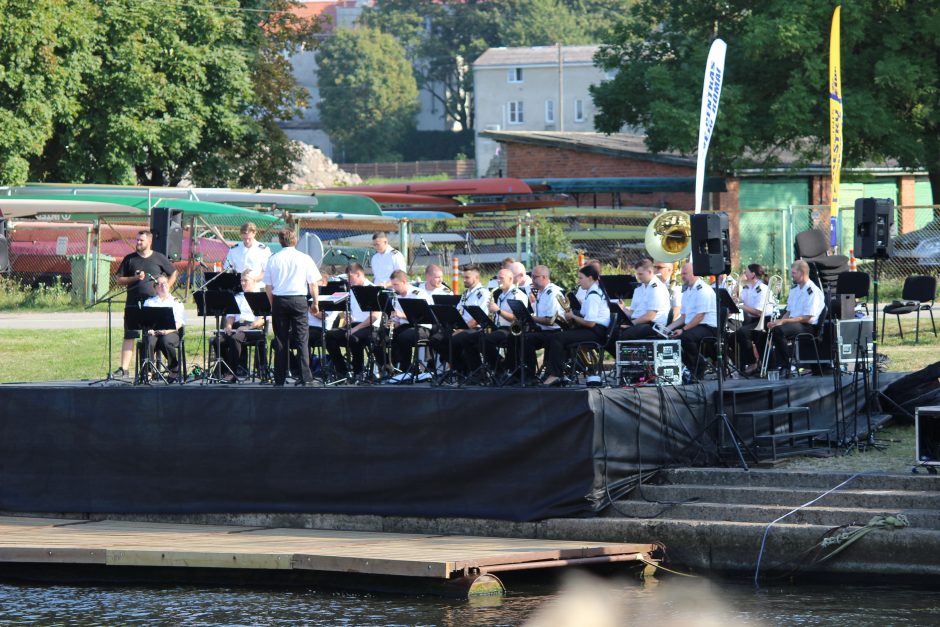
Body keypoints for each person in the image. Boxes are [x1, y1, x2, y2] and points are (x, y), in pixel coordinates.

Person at [115, 230, 177, 377]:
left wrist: (165, 286)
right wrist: (134, 278)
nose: (138, 243)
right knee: (130, 334)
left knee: (152, 335)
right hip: (133, 302)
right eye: (137, 240)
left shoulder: (159, 258)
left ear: (149, 241)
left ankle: (151, 369)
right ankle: (123, 369)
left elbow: (173, 272)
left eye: (141, 241)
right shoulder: (130, 259)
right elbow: (119, 279)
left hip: (153, 303)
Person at [264, 228, 321, 387]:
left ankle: (279, 379)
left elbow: (268, 287)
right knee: (302, 339)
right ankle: (305, 377)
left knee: (281, 340)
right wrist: (315, 302)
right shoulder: (304, 258)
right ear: (295, 240)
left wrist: (272, 304)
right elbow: (313, 283)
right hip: (298, 300)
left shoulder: (273, 259)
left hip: (279, 300)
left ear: (281, 241)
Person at [542, 265, 611, 387]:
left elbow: (590, 323)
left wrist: (573, 317)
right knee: (559, 337)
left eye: (581, 278)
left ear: (590, 278)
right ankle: (560, 373)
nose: (579, 281)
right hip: (594, 330)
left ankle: (555, 375)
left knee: (557, 338)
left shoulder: (593, 295)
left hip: (596, 332)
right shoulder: (592, 292)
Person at [767, 260, 825, 374]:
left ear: (802, 273)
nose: (791, 275)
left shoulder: (812, 291)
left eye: (794, 273)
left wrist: (783, 322)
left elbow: (807, 317)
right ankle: (772, 365)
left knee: (778, 331)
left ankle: (785, 366)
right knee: (773, 328)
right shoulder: (794, 290)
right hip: (794, 323)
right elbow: (788, 311)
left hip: (807, 326)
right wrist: (778, 321)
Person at [430, 264, 490, 375]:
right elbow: (458, 312)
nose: (464, 280)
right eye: (464, 277)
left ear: (476, 278)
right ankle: (460, 368)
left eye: (467, 278)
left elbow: (478, 318)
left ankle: (472, 371)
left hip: (474, 329)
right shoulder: (466, 294)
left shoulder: (483, 294)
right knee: (435, 340)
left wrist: (462, 329)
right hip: (460, 327)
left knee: (456, 340)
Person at [324, 262, 380, 379]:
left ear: (359, 274)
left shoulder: (372, 289)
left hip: (368, 327)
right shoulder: (351, 290)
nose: (348, 280)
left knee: (353, 337)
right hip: (354, 325)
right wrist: (347, 318)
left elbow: (375, 316)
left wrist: (355, 329)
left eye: (350, 277)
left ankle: (358, 371)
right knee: (329, 336)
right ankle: (342, 370)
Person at [664, 263, 718, 381]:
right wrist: (667, 329)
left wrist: (683, 330)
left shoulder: (703, 290)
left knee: (685, 337)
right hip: (695, 326)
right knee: (670, 339)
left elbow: (700, 316)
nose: (682, 276)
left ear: (694, 273)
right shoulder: (687, 292)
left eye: (685, 273)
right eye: (682, 273)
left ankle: (700, 365)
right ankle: (692, 367)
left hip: (708, 327)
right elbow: (683, 317)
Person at [216, 271, 267, 383]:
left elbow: (263, 319)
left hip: (253, 328)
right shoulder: (238, 297)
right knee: (217, 341)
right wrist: (228, 326)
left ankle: (232, 372)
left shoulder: (260, 296)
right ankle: (222, 371)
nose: (242, 283)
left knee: (235, 338)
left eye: (246, 281)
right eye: (241, 281)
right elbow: (231, 315)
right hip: (237, 327)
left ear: (254, 281)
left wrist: (248, 327)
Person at [382, 269, 434, 375]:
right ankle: (389, 368)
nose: (393, 288)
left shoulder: (418, 294)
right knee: (379, 336)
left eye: (396, 284)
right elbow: (398, 319)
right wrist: (394, 323)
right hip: (405, 326)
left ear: (404, 282)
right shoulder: (396, 296)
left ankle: (405, 369)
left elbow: (422, 317)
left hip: (422, 327)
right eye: (392, 285)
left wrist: (401, 315)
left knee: (404, 337)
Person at [520, 265, 566, 378]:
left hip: (555, 332)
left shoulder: (553, 293)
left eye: (535, 277)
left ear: (544, 277)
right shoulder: (541, 292)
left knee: (526, 339)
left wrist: (531, 318)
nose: (532, 280)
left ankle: (529, 375)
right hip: (544, 330)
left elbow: (551, 321)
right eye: (532, 277)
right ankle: (522, 373)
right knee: (519, 337)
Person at [480, 268, 528, 376]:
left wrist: (498, 310)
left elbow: (517, 318)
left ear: (511, 279)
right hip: (499, 328)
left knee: (486, 340)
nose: (498, 281)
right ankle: (498, 365)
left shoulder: (517, 294)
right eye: (497, 278)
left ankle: (501, 367)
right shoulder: (501, 295)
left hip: (512, 329)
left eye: (501, 278)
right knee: (477, 338)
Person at [612, 259, 671, 345]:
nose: (638, 277)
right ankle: (622, 358)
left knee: (624, 335)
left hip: (653, 326)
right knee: (612, 332)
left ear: (650, 272)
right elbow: (632, 313)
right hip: (639, 322)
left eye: (640, 274)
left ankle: (628, 357)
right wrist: (623, 308)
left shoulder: (657, 289)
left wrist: (631, 324)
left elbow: (650, 316)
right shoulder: (639, 289)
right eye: (637, 274)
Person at [732, 264, 777, 375]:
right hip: (754, 320)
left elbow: (758, 312)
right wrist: (738, 283)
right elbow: (735, 297)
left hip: (765, 320)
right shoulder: (748, 287)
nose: (744, 273)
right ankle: (745, 363)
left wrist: (741, 306)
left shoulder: (761, 288)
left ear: (752, 274)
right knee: (733, 337)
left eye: (746, 271)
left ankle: (752, 363)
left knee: (743, 332)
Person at [142, 274, 186, 383]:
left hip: (172, 332)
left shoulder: (176, 302)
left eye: (165, 283)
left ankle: (174, 367)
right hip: (154, 332)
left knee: (165, 341)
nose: (163, 286)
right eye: (160, 284)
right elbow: (145, 321)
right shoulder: (149, 302)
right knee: (149, 341)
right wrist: (149, 329)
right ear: (155, 287)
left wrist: (166, 331)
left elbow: (179, 323)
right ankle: (149, 371)